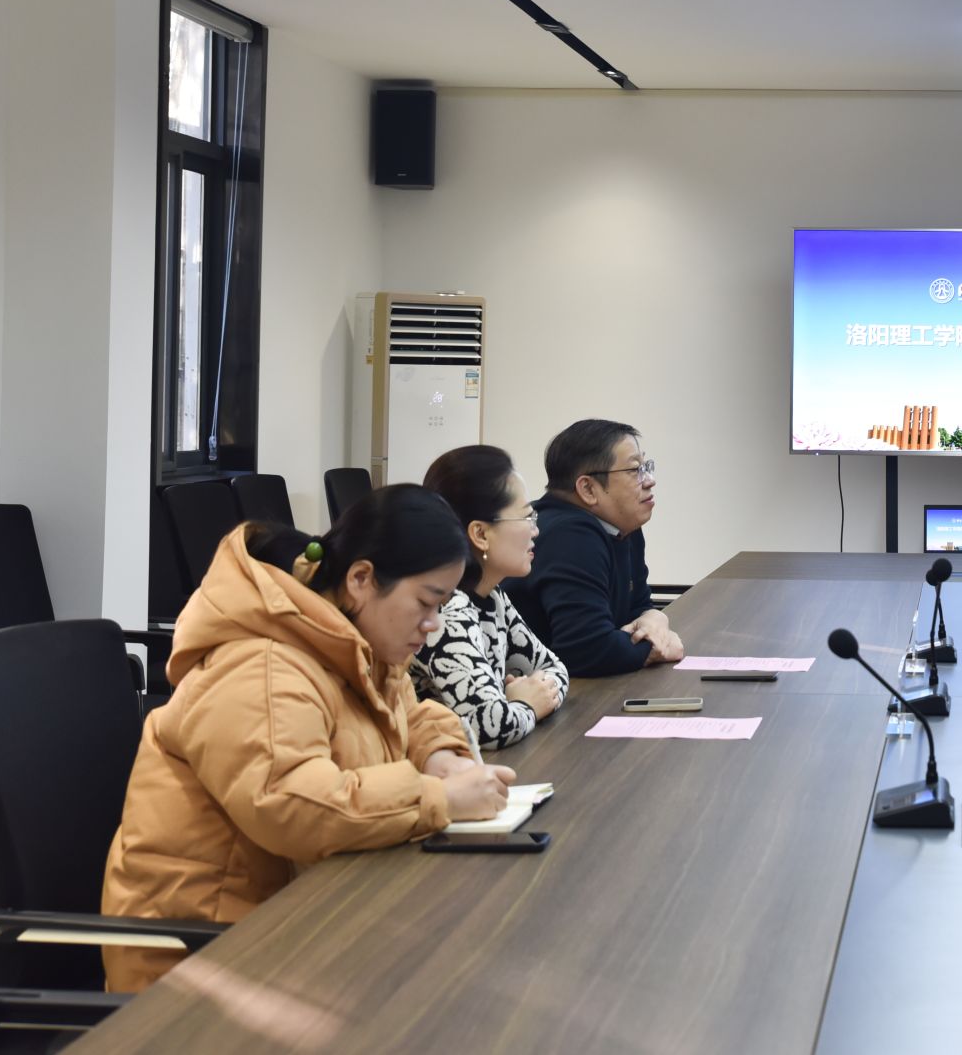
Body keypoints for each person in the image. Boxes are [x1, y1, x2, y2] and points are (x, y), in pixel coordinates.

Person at [101, 487, 517, 991]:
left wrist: (441, 757)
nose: (432, 626)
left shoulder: (354, 639)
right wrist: (438, 798)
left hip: (295, 916)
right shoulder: (262, 665)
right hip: (201, 958)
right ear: (361, 579)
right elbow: (289, 803)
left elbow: (407, 711)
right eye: (426, 603)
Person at [415, 445, 571, 750]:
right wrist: (526, 705)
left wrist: (516, 703)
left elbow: (554, 669)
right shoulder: (446, 610)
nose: (535, 531)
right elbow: (492, 728)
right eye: (526, 517)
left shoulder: (493, 595)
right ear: (481, 534)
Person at [506, 419, 683, 676]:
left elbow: (636, 608)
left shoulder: (623, 527)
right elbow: (586, 649)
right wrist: (657, 646)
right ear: (588, 489)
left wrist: (656, 618)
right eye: (635, 470)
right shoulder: (569, 535)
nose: (649, 480)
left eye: (646, 467)